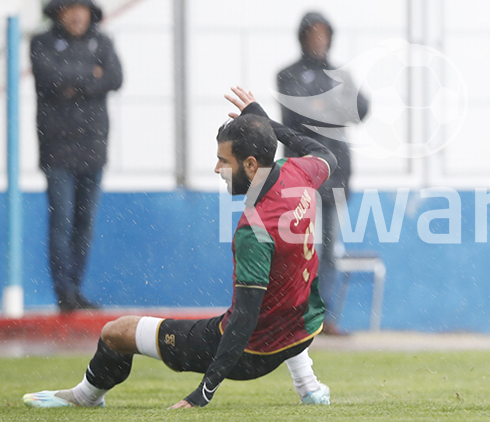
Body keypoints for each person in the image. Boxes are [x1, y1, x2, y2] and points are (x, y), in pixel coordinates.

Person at [23, 87, 337, 408]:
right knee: (283, 295)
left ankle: (84, 397)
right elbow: (326, 154)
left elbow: (243, 320)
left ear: (252, 165)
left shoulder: (255, 229)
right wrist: (267, 124)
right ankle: (308, 386)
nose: (217, 169)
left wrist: (204, 391)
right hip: (302, 330)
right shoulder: (298, 172)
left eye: (223, 160)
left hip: (251, 356)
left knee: (116, 332)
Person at [30, 0, 123, 312]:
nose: (76, 16)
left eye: (81, 9)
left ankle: (75, 289)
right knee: (62, 221)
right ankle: (64, 292)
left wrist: (73, 82)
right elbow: (48, 78)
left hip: (94, 148)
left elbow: (115, 78)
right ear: (58, 13)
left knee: (85, 223)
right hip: (57, 150)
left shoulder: (103, 42)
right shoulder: (41, 43)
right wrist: (90, 77)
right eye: (69, 10)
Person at [276, 12, 370, 335]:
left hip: (337, 174)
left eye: (324, 34)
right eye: (313, 34)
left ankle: (322, 318)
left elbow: (361, 109)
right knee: (297, 246)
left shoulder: (340, 74)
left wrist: (323, 107)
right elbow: (296, 112)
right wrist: (333, 108)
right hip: (301, 174)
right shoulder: (287, 74)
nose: (319, 40)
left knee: (329, 249)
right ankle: (292, 314)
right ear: (302, 37)